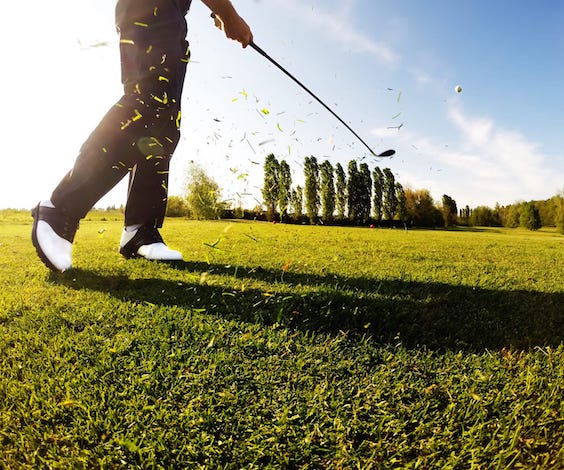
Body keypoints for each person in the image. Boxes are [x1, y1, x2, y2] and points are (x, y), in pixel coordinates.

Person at [31, 0, 253, 272]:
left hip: (171, 13)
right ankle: (61, 209)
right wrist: (228, 14)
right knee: (149, 103)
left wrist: (221, 12)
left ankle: (139, 229)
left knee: (165, 125)